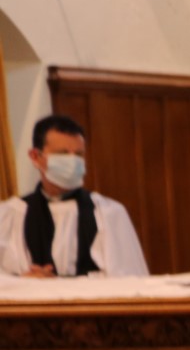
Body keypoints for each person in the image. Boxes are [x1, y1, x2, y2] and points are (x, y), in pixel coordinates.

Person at [0, 115, 148, 278]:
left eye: (78, 154)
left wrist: (55, 284)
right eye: (63, 154)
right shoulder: (10, 214)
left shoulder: (108, 212)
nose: (72, 162)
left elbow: (129, 282)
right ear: (36, 157)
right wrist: (26, 282)